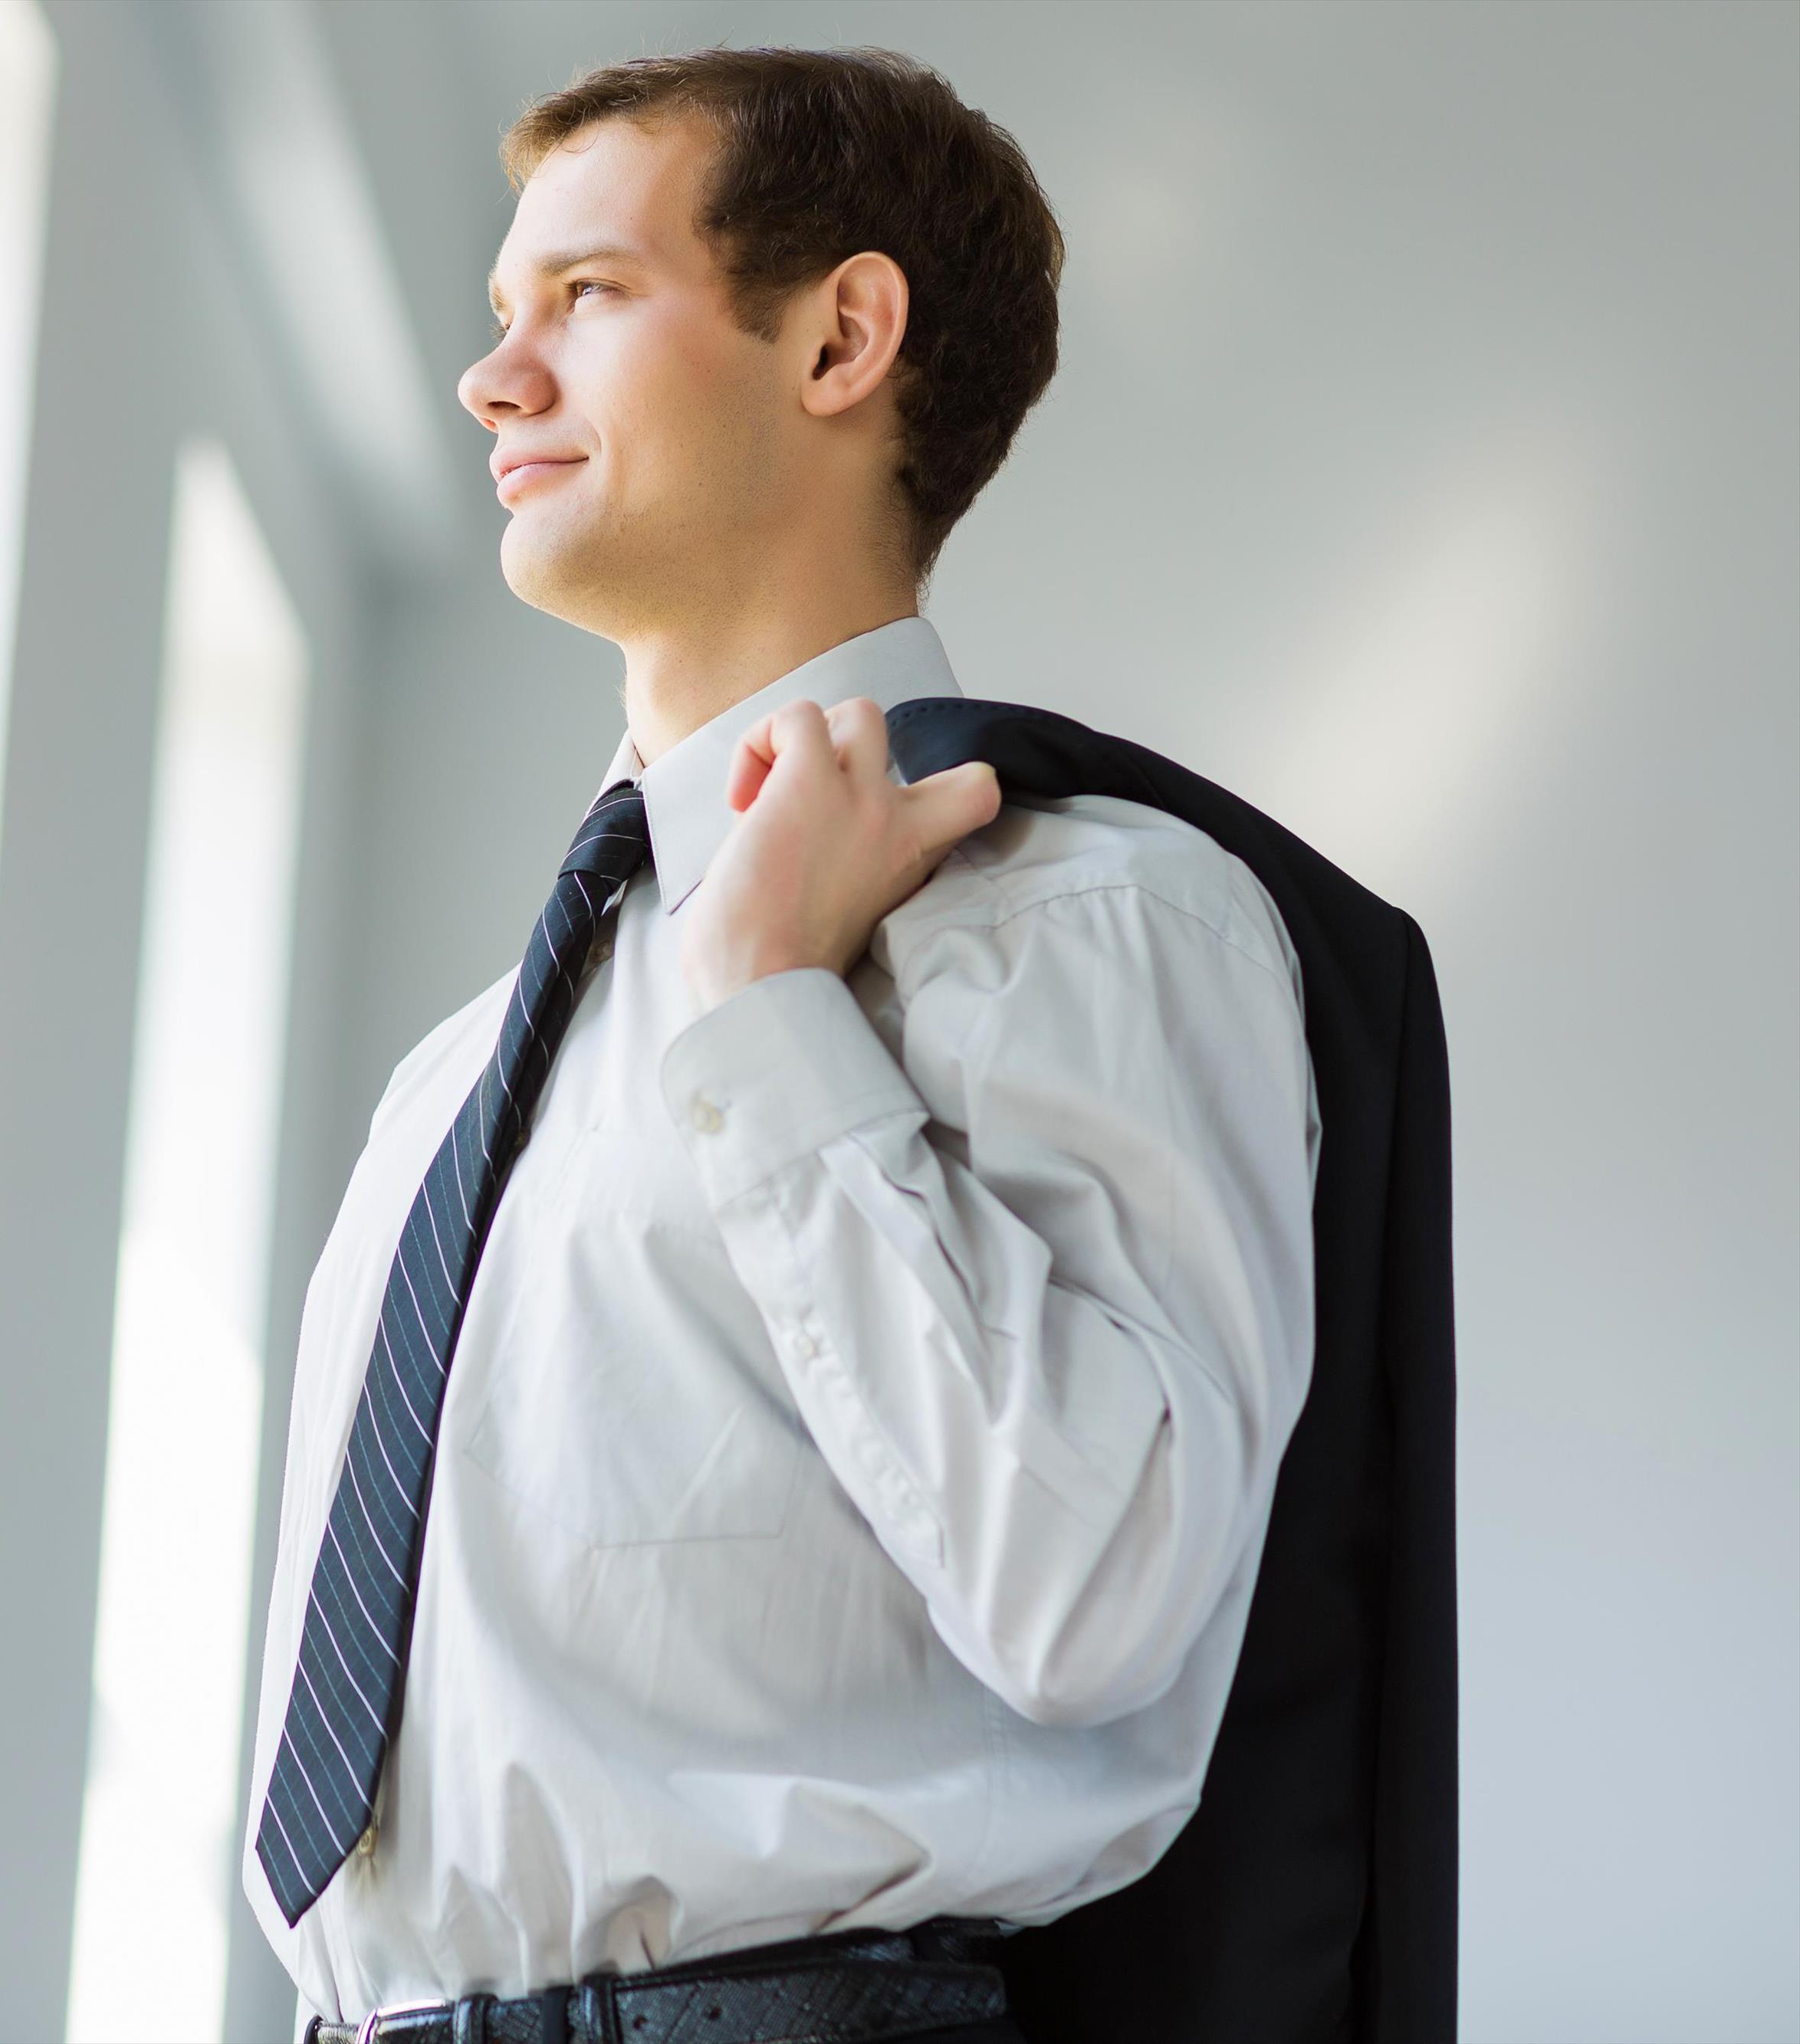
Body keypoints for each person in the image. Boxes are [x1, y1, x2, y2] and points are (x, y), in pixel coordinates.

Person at [238, 49, 1331, 2043]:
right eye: (503, 318)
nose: (494, 381)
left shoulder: (1097, 917)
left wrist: (771, 1022)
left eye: (584, 297)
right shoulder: (453, 1090)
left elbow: (1095, 1595)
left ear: (842, 335)